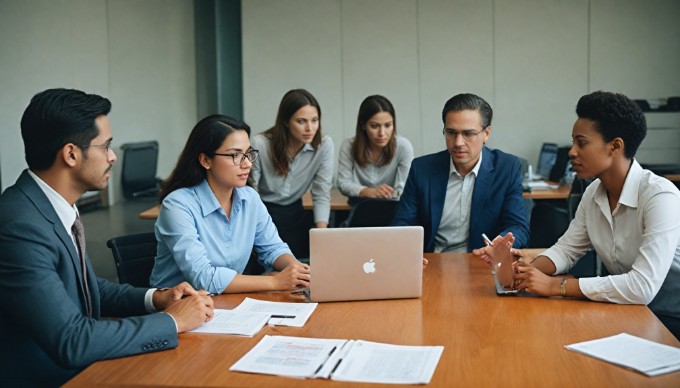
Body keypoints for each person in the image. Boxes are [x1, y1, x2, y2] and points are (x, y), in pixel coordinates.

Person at [0, 88, 214, 387]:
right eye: (106, 146)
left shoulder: (51, 206)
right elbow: (71, 340)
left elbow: (86, 286)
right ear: (71, 153)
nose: (113, 157)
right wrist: (174, 321)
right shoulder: (20, 226)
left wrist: (157, 298)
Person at [474, 91, 680, 339]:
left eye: (581, 143)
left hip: (669, 317)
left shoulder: (660, 196)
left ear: (615, 146)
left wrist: (556, 286)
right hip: (630, 310)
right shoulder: (594, 191)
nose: (571, 152)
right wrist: (521, 275)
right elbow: (566, 250)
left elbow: (642, 287)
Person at [150, 115, 310, 294]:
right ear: (205, 160)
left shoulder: (249, 198)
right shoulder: (177, 205)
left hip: (226, 303)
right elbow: (204, 278)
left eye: (249, 154)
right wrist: (274, 282)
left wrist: (298, 271)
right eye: (235, 155)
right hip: (177, 308)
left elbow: (272, 248)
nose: (247, 163)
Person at [392, 93, 529, 252]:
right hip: (433, 261)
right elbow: (402, 224)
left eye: (468, 134)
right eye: (451, 132)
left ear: (486, 133)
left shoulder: (506, 168)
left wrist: (500, 245)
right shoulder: (422, 169)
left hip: (481, 261)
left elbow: (518, 226)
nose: (458, 143)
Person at [250, 89, 334, 258]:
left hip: (295, 213)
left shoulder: (324, 145)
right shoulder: (260, 144)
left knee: (300, 269)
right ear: (286, 122)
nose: (310, 128)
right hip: (261, 212)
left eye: (315, 120)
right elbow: (250, 192)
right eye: (301, 121)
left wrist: (322, 238)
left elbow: (321, 193)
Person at [337, 95, 414, 205]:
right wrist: (368, 191)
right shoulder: (349, 146)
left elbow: (406, 186)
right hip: (358, 205)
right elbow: (343, 183)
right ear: (363, 125)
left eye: (388, 125)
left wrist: (392, 193)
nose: (382, 133)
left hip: (390, 204)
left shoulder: (403, 146)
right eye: (374, 126)